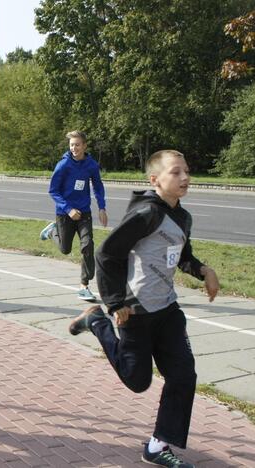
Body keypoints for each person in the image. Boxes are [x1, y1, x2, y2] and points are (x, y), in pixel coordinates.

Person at [68, 150, 219, 468]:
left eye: (187, 171)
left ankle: (157, 446)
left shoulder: (183, 217)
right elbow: (107, 255)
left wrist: (203, 270)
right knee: (138, 381)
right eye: (176, 172)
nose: (185, 178)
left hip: (167, 310)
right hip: (134, 311)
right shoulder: (146, 214)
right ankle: (97, 321)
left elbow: (182, 255)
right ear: (155, 180)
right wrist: (114, 304)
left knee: (183, 376)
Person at [40, 130, 107, 302]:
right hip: (65, 214)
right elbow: (53, 191)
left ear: (84, 145)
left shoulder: (91, 165)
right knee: (65, 249)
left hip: (84, 213)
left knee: (87, 245)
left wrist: (102, 208)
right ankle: (52, 231)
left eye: (77, 145)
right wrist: (68, 209)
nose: (74, 148)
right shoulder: (63, 165)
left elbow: (98, 186)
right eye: (71, 145)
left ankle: (84, 286)